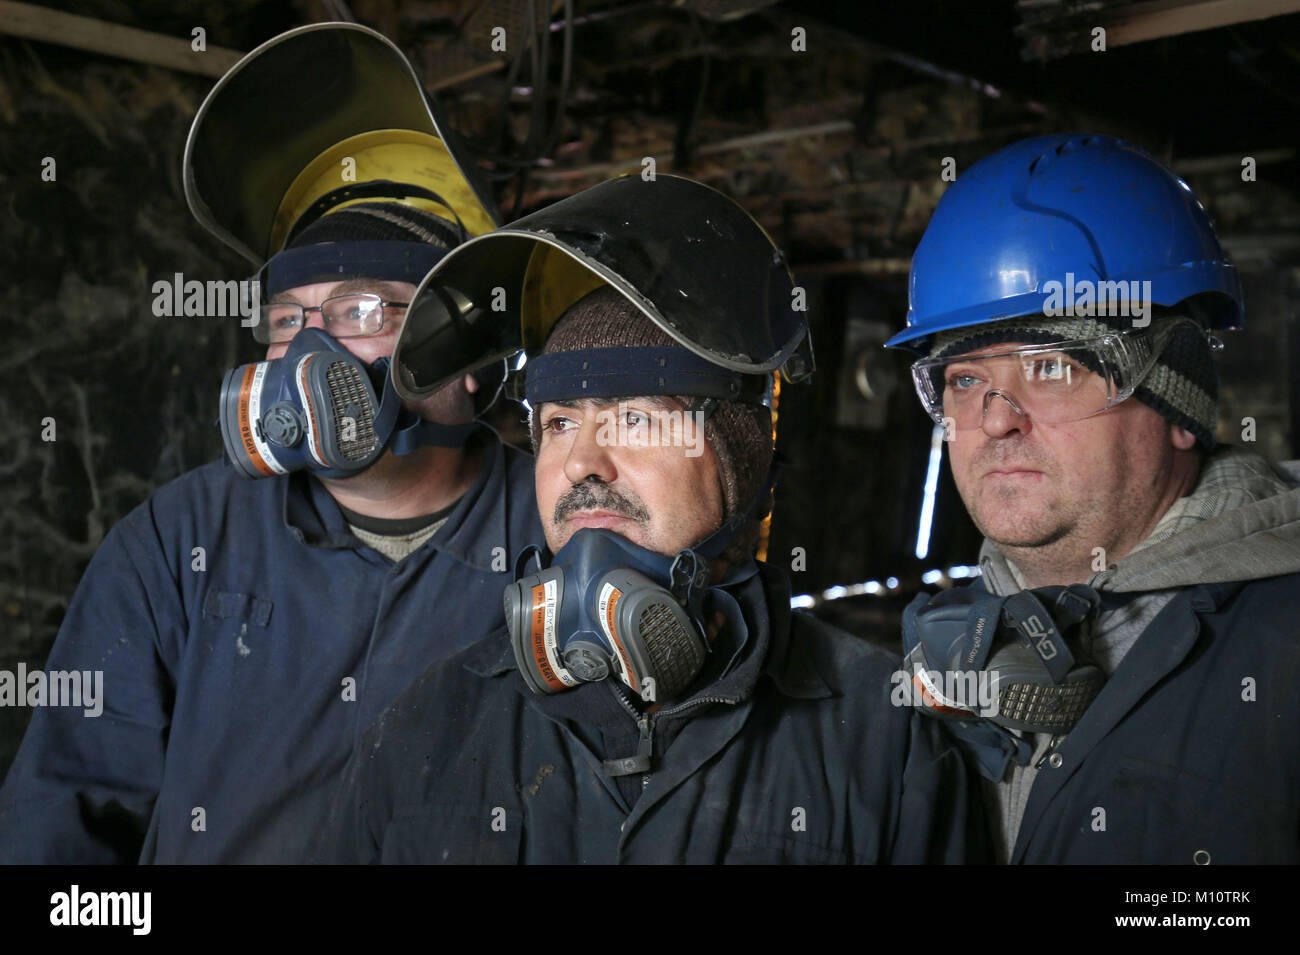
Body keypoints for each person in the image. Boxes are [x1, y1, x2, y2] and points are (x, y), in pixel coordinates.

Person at [317, 174, 983, 864]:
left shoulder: (885, 745)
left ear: (740, 463)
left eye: (634, 418)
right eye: (560, 421)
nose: (582, 463)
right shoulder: (428, 724)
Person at [0, 24, 542, 863]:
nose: (310, 354)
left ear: (467, 358)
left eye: (362, 312)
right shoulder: (177, 543)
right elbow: (56, 822)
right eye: (290, 321)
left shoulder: (557, 539)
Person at [887, 132, 1300, 864]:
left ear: (1177, 401)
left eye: (1049, 367)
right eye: (963, 379)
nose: (994, 418)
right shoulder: (937, 661)